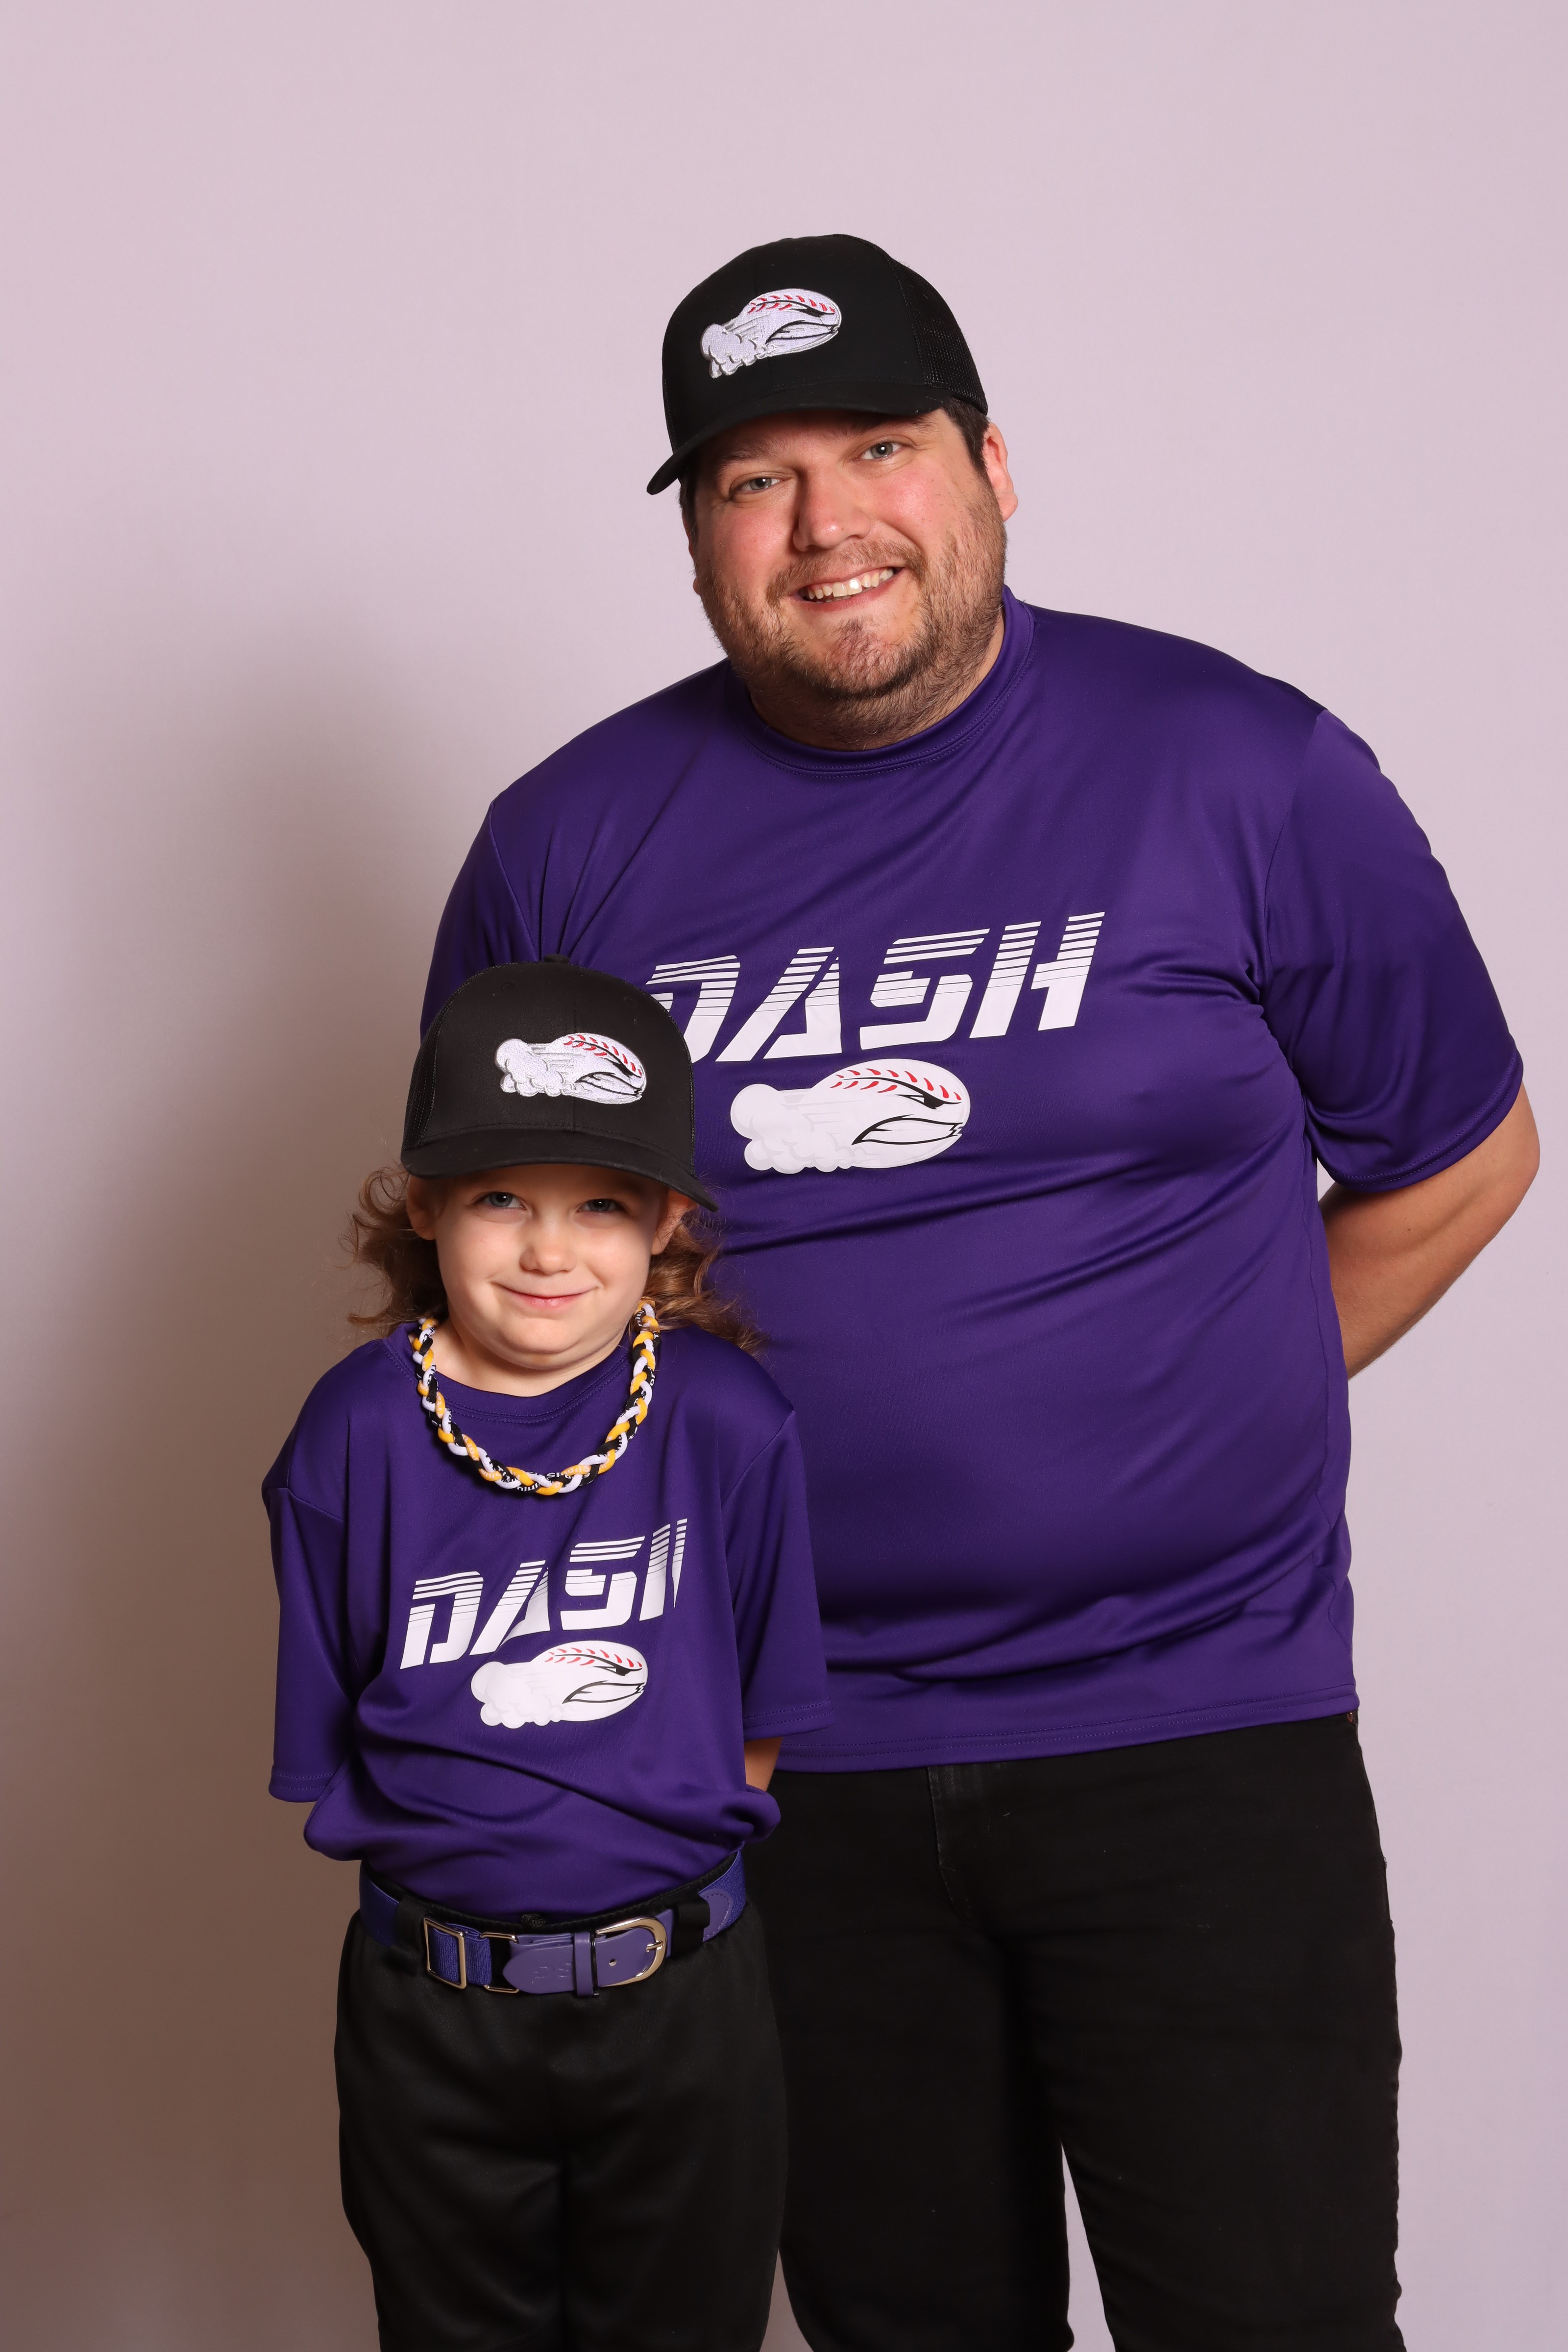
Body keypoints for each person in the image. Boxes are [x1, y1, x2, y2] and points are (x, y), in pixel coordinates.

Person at [421, 235, 1540, 2352]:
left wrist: (1191, 1405)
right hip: (777, 1767)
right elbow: (507, 1296)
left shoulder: (1242, 770)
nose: (824, 522)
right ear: (696, 537)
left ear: (993, 467)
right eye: (752, 478)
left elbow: (1461, 1154)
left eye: (878, 448)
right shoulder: (565, 852)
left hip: (1196, 1732)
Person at [264, 958, 830, 2352]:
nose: (548, 1251)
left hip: (680, 2000)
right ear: (426, 1206)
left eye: (601, 1206)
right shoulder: (350, 1434)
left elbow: (759, 1713)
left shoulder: (728, 1419)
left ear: (667, 1222)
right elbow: (343, 1718)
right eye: (502, 1198)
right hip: (432, 2009)